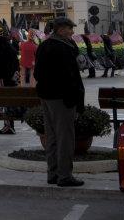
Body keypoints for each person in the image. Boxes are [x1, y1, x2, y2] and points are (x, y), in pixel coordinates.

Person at [34, 16, 85, 187]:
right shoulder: (64, 48)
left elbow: (37, 74)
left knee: (52, 136)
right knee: (65, 137)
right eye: (70, 29)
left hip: (46, 96)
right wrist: (75, 98)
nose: (72, 32)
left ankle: (52, 173)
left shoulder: (44, 46)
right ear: (61, 30)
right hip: (63, 98)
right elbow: (71, 76)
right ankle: (64, 176)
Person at [0, 25, 19, 134]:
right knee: (8, 102)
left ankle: (9, 126)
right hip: (11, 78)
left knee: (6, 102)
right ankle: (9, 125)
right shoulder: (8, 45)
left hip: (4, 78)